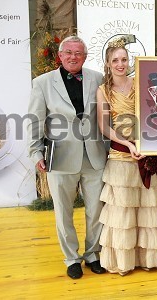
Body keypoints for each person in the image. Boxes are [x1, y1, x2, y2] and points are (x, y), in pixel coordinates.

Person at [27, 35, 107, 279]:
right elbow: (36, 119)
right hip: (60, 156)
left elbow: (108, 116)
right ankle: (71, 258)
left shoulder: (98, 78)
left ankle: (93, 254)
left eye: (79, 53)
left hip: (94, 155)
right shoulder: (42, 83)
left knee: (97, 210)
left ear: (85, 56)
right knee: (63, 212)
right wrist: (35, 151)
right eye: (69, 52)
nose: (74, 57)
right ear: (60, 56)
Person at [96, 35, 157, 276]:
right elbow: (105, 127)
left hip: (147, 154)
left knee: (147, 210)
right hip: (121, 159)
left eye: (124, 59)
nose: (120, 64)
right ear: (107, 63)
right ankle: (123, 261)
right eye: (115, 60)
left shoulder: (141, 83)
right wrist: (127, 144)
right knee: (123, 212)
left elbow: (155, 114)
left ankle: (147, 258)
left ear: (129, 61)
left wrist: (149, 141)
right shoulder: (103, 90)